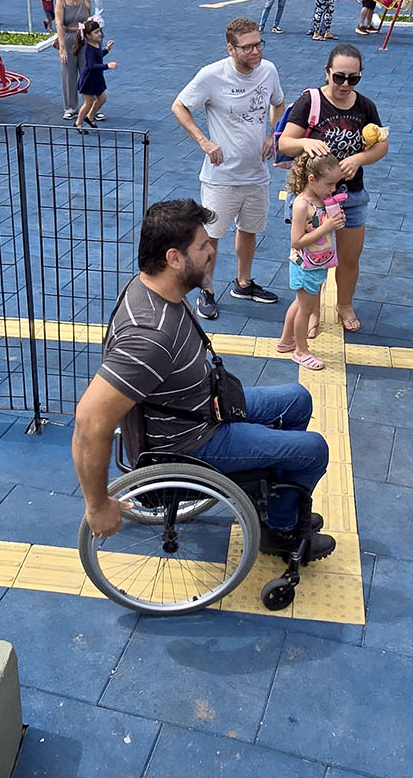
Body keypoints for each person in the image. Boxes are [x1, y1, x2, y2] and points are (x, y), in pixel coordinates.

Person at [72, 198, 334, 560]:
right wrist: (97, 504)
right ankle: (281, 530)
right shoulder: (151, 335)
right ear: (174, 258)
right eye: (203, 246)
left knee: (297, 399)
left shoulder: (152, 287)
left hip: (197, 404)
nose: (212, 251)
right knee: (313, 450)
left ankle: (275, 502)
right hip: (191, 440)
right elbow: (88, 423)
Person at [171, 17, 285, 320]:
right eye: (247, 47)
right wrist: (204, 142)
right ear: (230, 49)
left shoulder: (269, 71)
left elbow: (279, 103)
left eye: (258, 44)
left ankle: (243, 283)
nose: (256, 52)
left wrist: (274, 135)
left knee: (249, 231)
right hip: (220, 178)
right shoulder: (212, 75)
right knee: (211, 238)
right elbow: (179, 106)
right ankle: (207, 290)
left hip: (257, 174)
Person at [279, 42, 387, 335]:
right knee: (313, 259)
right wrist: (305, 142)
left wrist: (360, 157)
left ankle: (345, 304)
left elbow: (382, 145)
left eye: (353, 78)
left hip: (350, 195)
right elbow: (284, 143)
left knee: (350, 258)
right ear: (327, 72)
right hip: (312, 198)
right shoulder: (310, 102)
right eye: (339, 76)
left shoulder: (365, 106)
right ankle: (310, 312)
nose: (345, 84)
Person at [275, 150, 348, 370]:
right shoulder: (302, 204)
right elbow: (297, 241)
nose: (333, 189)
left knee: (300, 304)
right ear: (312, 179)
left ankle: (287, 340)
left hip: (317, 263)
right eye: (329, 184)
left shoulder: (322, 200)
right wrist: (326, 227)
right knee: (305, 309)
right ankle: (301, 351)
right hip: (305, 265)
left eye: (336, 184)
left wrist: (335, 220)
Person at [55, 0, 93, 122]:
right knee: (69, 74)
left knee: (89, 72)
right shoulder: (61, 0)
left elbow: (91, 19)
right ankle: (70, 107)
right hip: (69, 37)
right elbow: (58, 23)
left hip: (84, 38)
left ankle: (91, 106)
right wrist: (62, 46)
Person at [75, 18, 115, 130]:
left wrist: (107, 49)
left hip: (97, 78)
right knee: (88, 102)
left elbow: (99, 55)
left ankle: (90, 116)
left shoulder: (96, 45)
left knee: (102, 98)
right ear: (88, 35)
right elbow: (92, 65)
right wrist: (107, 66)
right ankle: (78, 123)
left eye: (99, 31)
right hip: (89, 79)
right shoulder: (88, 49)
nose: (99, 34)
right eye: (96, 32)